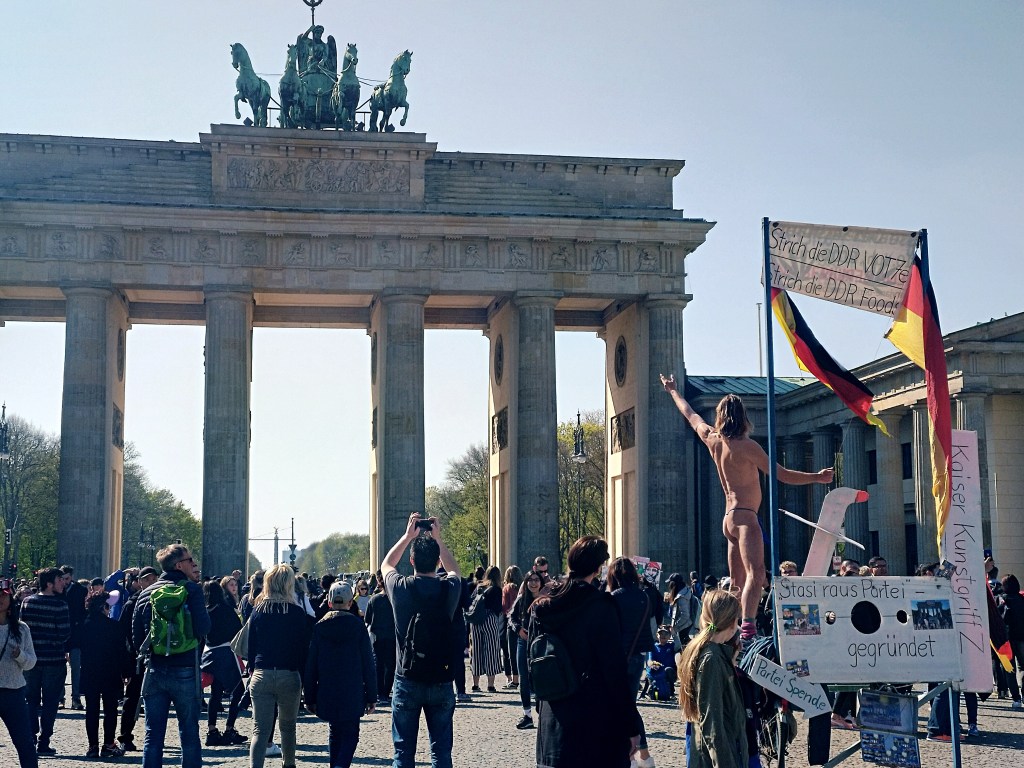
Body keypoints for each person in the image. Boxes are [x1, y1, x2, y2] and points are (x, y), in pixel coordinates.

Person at [660, 375, 834, 641]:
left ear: (719, 416)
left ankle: (727, 626)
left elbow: (691, 414)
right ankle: (748, 628)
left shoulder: (712, 439)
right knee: (757, 573)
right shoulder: (747, 446)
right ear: (744, 417)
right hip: (745, 517)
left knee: (737, 582)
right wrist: (816, 477)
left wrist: (673, 391)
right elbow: (782, 474)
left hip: (728, 518)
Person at [532, 536, 640, 768]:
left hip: (554, 721)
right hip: (596, 724)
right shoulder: (602, 607)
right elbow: (615, 672)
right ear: (599, 567)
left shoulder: (543, 607)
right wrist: (631, 726)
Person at [382, 513, 461, 768]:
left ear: (412, 560)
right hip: (441, 676)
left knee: (403, 753)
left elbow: (386, 565)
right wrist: (438, 539)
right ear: (438, 562)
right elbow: (455, 571)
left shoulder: (401, 587)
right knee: (441, 753)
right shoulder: (449, 589)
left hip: (407, 677)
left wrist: (407, 536)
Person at [131, 544, 210, 768]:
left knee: (153, 735)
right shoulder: (192, 590)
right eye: (190, 560)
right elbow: (204, 628)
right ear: (179, 565)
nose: (193, 563)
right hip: (185, 668)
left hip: (154, 670)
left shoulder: (147, 592)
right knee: (189, 734)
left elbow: (137, 637)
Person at [304, 580, 377, 768]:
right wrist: (372, 695)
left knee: (334, 732)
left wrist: (309, 697)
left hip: (327, 689)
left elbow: (311, 665)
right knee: (351, 735)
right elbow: (368, 663)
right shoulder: (358, 626)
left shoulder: (319, 627)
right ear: (350, 603)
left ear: (329, 602)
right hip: (352, 689)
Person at [245, 564, 311, 768]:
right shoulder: (297, 613)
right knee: (288, 728)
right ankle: (288, 764)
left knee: (259, 730)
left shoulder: (258, 611)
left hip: (261, 674)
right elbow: (303, 651)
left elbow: (251, 648)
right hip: (289, 675)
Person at [677, 589, 747, 768]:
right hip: (717, 758)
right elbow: (712, 720)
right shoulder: (712, 658)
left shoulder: (713, 652)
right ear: (732, 622)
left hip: (719, 751)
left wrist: (729, 659)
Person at [609, 557, 657, 768]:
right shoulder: (644, 597)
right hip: (637, 656)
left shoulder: (613, 598)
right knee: (629, 705)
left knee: (623, 706)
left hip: (618, 658)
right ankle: (641, 755)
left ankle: (638, 755)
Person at [20, 567, 70, 757]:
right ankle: (44, 741)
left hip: (31, 661)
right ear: (49, 583)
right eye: (59, 580)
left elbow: (22, 629)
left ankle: (30, 737)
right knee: (50, 703)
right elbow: (65, 634)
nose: (62, 583)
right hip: (54, 660)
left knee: (30, 700)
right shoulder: (60, 606)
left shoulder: (27, 602)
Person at [79, 591, 131, 758]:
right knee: (110, 710)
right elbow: (122, 652)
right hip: (111, 673)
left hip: (90, 672)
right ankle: (108, 744)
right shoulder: (114, 627)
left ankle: (92, 746)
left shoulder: (83, 626)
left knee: (91, 710)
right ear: (103, 606)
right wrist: (126, 672)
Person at [200, 579, 247, 747]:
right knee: (237, 691)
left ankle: (212, 730)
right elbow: (238, 629)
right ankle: (229, 729)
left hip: (210, 653)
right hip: (226, 653)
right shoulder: (226, 609)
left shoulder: (205, 611)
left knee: (215, 693)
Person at [118, 565, 158, 753]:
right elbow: (123, 635)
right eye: (147, 579)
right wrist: (127, 663)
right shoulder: (131, 604)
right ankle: (125, 736)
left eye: (153, 579)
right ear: (139, 582)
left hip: (158, 657)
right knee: (132, 698)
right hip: (136, 659)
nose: (151, 582)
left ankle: (155, 736)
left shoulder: (162, 600)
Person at [0, 576, 38, 768]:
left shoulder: (22, 629)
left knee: (25, 744)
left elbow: (31, 662)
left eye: (4, 595)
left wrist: (20, 655)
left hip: (14, 693)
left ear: (10, 599)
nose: (0, 599)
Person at [508, 568, 548, 730]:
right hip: (523, 642)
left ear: (541, 583)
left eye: (536, 580)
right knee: (524, 678)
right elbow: (511, 617)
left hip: (541, 643)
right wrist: (518, 629)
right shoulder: (521, 599)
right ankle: (527, 715)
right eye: (530, 580)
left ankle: (543, 713)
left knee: (540, 678)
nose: (533, 583)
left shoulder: (546, 600)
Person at [363, 570, 396, 704]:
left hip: (378, 637)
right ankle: (386, 692)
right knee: (391, 665)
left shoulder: (374, 600)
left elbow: (368, 619)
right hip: (393, 636)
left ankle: (379, 692)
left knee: (379, 665)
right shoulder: (396, 599)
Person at [469, 565, 503, 693]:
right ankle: (490, 684)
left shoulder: (479, 586)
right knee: (491, 650)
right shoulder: (496, 589)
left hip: (476, 620)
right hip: (490, 619)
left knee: (476, 651)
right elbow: (498, 608)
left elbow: (470, 601)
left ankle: (475, 684)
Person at [60, 565, 87, 711]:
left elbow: (82, 612)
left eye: (67, 578)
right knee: (60, 668)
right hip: (61, 634)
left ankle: (76, 698)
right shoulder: (57, 590)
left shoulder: (80, 590)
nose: (64, 581)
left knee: (76, 668)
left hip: (76, 634)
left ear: (71, 577)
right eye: (62, 579)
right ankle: (60, 697)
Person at [500, 565, 522, 689]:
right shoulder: (522, 588)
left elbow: (504, 607)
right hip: (521, 621)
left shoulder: (507, 588)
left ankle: (514, 680)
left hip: (510, 621)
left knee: (511, 652)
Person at [665, 572, 695, 654]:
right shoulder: (686, 590)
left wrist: (676, 626)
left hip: (684, 625)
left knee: (685, 650)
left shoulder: (681, 597)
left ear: (673, 584)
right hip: (688, 624)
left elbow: (685, 615)